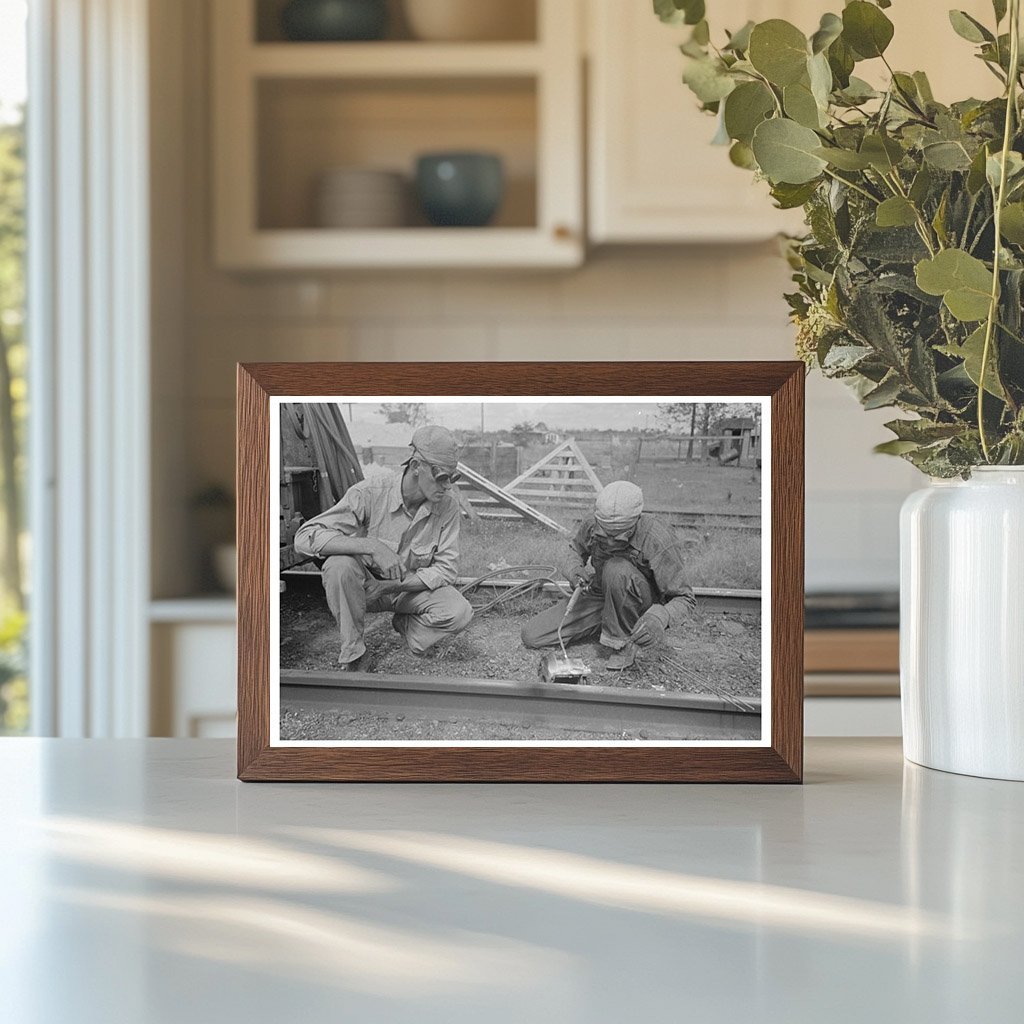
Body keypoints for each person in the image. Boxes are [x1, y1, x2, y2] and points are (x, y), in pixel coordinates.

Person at [293, 424, 473, 669]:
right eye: (441, 477)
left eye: (453, 478)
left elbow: (446, 569)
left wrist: (388, 586)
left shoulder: (447, 507)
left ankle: (406, 626)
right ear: (415, 467)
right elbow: (304, 537)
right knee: (338, 565)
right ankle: (355, 652)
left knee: (459, 611)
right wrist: (371, 546)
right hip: (364, 590)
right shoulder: (369, 493)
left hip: (406, 591)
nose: (448, 486)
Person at [521, 480, 696, 657]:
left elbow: (685, 598)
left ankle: (620, 644)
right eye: (605, 536)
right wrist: (575, 571)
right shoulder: (592, 523)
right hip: (601, 596)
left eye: (618, 538)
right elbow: (572, 550)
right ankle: (608, 624)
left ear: (635, 522)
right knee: (533, 635)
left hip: (640, 607)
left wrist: (659, 617)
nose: (611, 543)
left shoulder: (656, 537)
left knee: (616, 568)